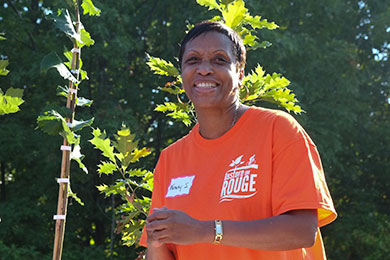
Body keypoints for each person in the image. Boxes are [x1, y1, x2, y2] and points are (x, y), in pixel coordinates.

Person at [139, 21, 337, 260]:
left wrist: (206, 231)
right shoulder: (171, 159)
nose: (204, 69)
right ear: (182, 75)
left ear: (240, 73)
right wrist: (156, 239)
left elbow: (302, 231)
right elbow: (162, 252)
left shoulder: (278, 129)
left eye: (219, 59)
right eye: (193, 60)